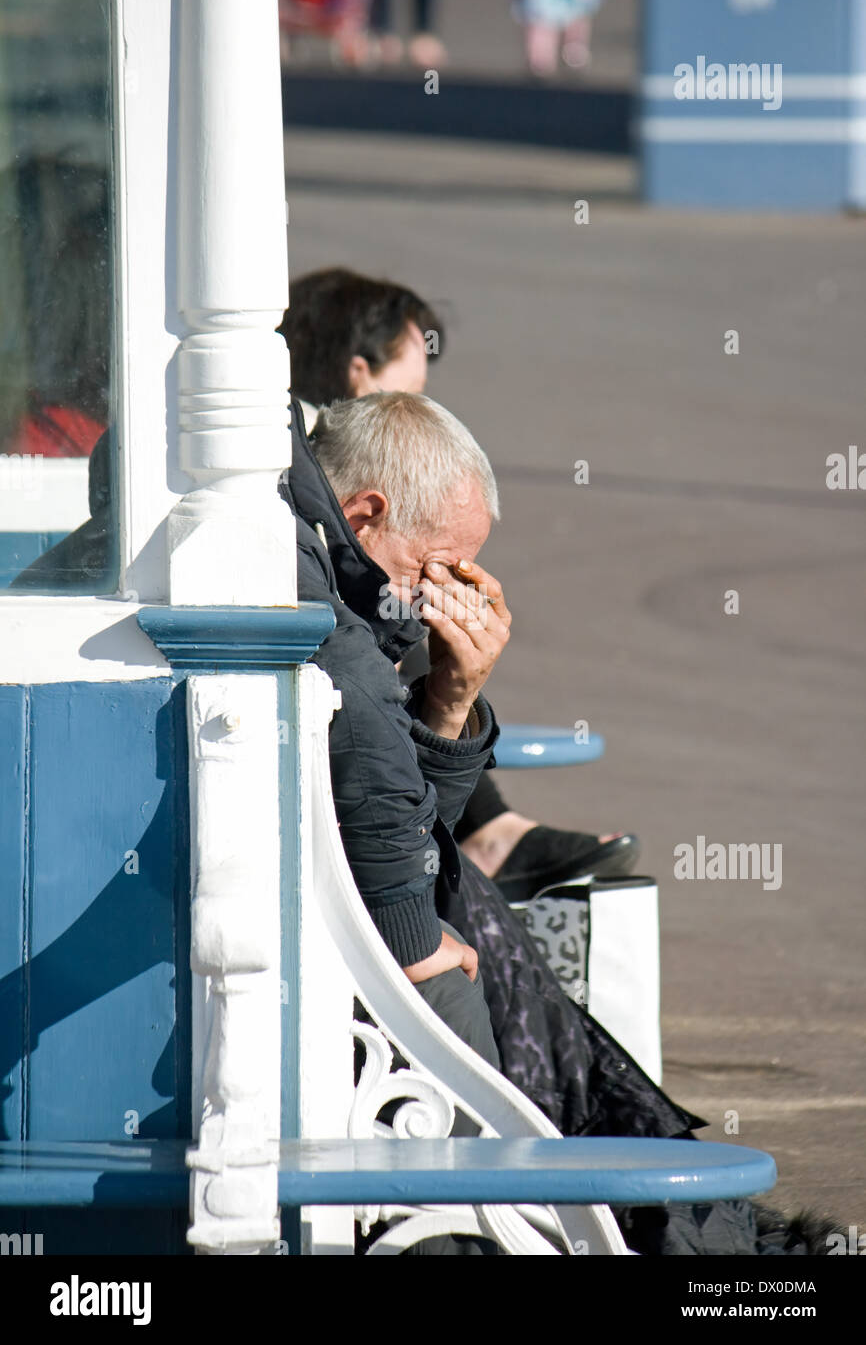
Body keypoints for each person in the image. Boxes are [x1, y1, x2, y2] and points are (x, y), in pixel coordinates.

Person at [279, 389, 836, 1255]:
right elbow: (383, 805)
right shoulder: (328, 609)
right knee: (495, 966)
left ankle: (681, 1229)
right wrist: (417, 937)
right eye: (440, 567)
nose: (443, 597)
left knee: (506, 963)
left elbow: (413, 826)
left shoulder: (343, 581)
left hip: (385, 924)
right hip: (360, 957)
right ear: (367, 512)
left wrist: (453, 699)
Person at [279, 266, 640, 894]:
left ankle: (493, 828)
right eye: (414, 388)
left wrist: (454, 702)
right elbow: (395, 866)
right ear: (359, 375)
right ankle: (492, 832)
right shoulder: (318, 565)